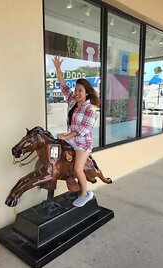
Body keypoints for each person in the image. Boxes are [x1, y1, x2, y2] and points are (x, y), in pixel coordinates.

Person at [52, 55, 100, 207]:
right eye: (76, 89)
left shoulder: (90, 110)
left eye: (80, 90)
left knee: (78, 168)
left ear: (87, 93)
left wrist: (66, 135)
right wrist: (58, 68)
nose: (76, 92)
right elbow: (63, 85)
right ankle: (67, 178)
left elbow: (82, 130)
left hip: (82, 143)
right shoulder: (73, 101)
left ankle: (86, 193)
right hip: (71, 138)